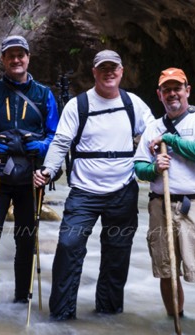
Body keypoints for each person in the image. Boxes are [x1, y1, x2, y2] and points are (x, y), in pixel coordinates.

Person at [34, 49, 155, 320]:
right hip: (84, 193)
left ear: (122, 72)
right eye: (103, 68)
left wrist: (161, 152)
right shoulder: (78, 105)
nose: (109, 72)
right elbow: (62, 142)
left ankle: (108, 315)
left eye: (114, 68)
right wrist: (48, 170)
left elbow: (152, 135)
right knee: (68, 246)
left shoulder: (133, 104)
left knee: (117, 254)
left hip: (122, 191)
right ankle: (62, 315)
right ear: (94, 72)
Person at [0, 35, 59, 311]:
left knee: (26, 237)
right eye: (11, 55)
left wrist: (41, 147)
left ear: (28, 58)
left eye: (21, 55)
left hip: (31, 177)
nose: (16, 59)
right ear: (3, 60)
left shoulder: (44, 95)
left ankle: (21, 299)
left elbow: (56, 135)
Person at [134, 68, 195, 330]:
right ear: (159, 94)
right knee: (167, 271)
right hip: (160, 204)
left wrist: (169, 139)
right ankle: (176, 323)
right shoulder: (153, 125)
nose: (172, 93)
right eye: (166, 89)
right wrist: (154, 168)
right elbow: (139, 167)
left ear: (188, 90)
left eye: (177, 88)